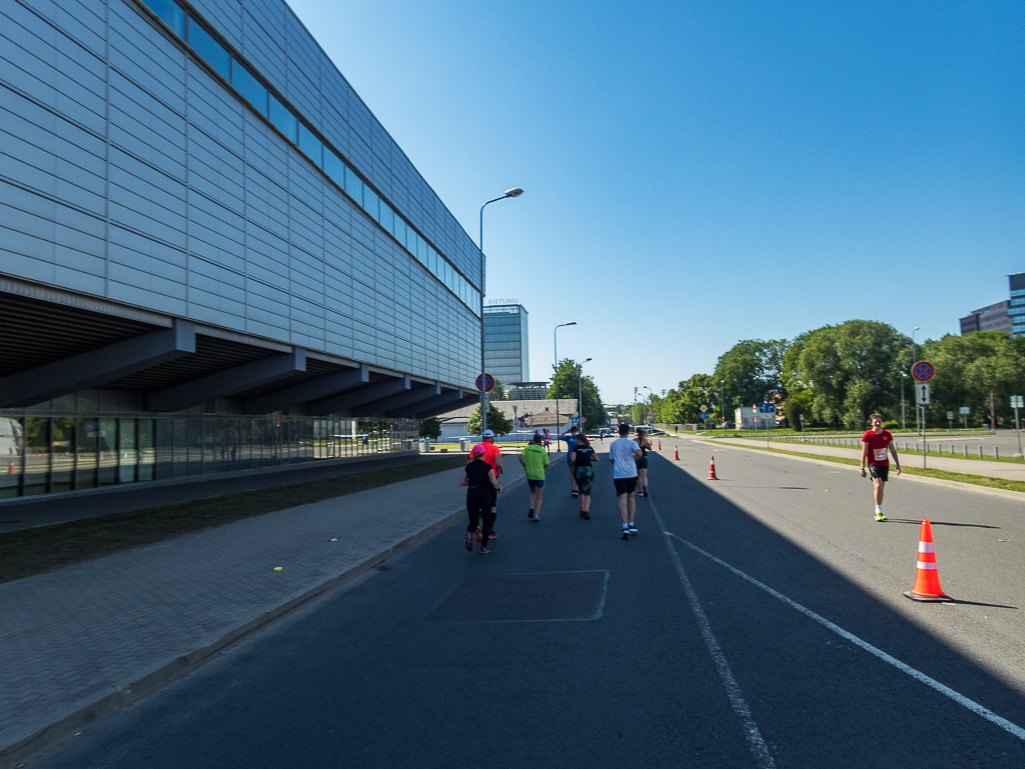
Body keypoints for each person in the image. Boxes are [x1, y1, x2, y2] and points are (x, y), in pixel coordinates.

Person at [860, 413, 901, 521]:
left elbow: (892, 449)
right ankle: (877, 511)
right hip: (873, 464)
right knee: (877, 485)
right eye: (875, 422)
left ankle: (879, 509)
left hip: (884, 464)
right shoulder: (868, 435)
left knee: (881, 487)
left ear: (882, 422)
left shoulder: (887, 434)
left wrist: (897, 464)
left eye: (879, 421)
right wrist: (862, 467)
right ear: (872, 423)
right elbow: (864, 452)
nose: (877, 423)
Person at [460, 445, 501, 553]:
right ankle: (484, 546)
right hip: (484, 495)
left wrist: (473, 482)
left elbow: (462, 482)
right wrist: (499, 489)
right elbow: (494, 482)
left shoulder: (469, 467)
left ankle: (470, 531)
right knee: (487, 521)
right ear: (484, 454)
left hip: (472, 494)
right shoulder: (488, 467)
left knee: (473, 520)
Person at [609, 423, 642, 538]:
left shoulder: (613, 444)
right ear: (628, 432)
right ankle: (631, 523)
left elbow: (612, 460)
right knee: (631, 497)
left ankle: (624, 526)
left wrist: (619, 461)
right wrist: (634, 458)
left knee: (622, 500)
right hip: (631, 474)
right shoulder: (632, 443)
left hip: (619, 475)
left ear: (619, 432)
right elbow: (639, 453)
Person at [470, 429, 505, 541]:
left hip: (477, 480)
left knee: (479, 506)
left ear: (483, 437)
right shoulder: (494, 448)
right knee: (492, 507)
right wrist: (501, 469)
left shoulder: (477, 447)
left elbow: (470, 462)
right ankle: (490, 531)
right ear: (492, 438)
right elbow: (498, 462)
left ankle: (478, 526)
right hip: (491, 479)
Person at [519, 433, 550, 521]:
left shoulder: (528, 448)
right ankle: (537, 514)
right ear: (540, 441)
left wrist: (525, 465)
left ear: (533, 440)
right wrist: (541, 467)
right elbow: (547, 465)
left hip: (530, 474)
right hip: (539, 475)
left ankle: (532, 507)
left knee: (533, 492)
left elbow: (520, 457)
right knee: (540, 495)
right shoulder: (542, 450)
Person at [570, 433, 597, 519]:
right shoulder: (589, 448)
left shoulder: (576, 448)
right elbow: (597, 458)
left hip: (579, 470)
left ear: (579, 440)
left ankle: (582, 509)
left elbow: (572, 459)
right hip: (589, 470)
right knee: (588, 492)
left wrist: (578, 460)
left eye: (577, 439)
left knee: (581, 491)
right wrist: (589, 459)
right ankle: (587, 509)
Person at [560, 425, 581, 497]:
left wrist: (566, 432)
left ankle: (573, 490)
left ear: (571, 431)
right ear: (577, 431)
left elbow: (559, 437)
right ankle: (577, 489)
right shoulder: (579, 438)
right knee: (578, 474)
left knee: (572, 474)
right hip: (578, 458)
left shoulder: (568, 438)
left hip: (570, 457)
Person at [635, 427, 651, 497]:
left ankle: (640, 490)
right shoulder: (645, 440)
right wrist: (646, 446)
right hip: (644, 457)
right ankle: (645, 486)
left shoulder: (635, 441)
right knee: (644, 475)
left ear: (637, 434)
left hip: (637, 458)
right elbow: (650, 449)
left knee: (638, 476)